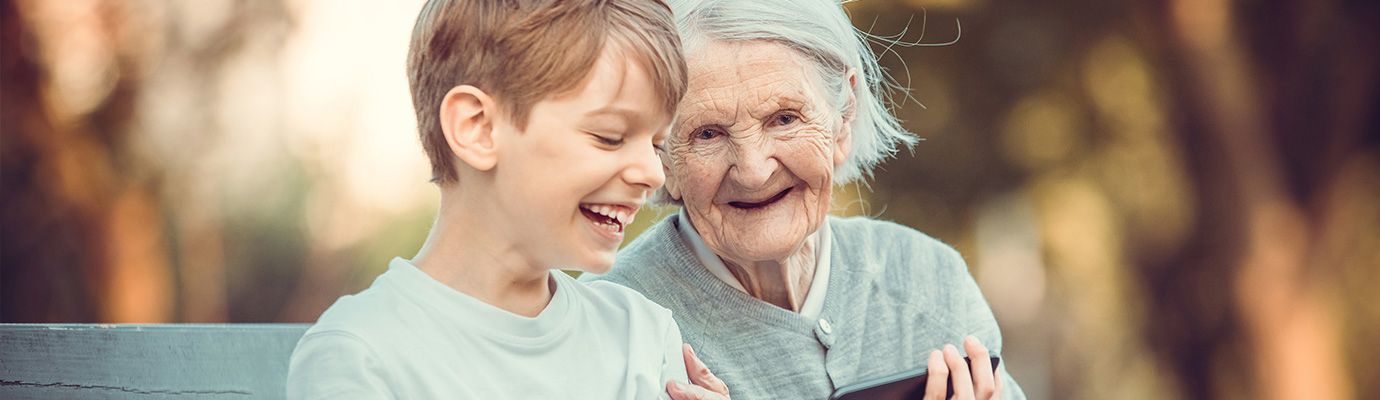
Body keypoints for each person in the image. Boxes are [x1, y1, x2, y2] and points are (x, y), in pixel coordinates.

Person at [590, 0, 1025, 398]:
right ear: (661, 150)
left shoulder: (930, 281)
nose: (754, 169)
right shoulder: (608, 326)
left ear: (844, 116)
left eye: (783, 119)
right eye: (708, 133)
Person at [286, 0, 704, 398]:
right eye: (610, 137)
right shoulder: (360, 356)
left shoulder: (643, 336)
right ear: (478, 128)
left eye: (656, 144)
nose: (652, 173)